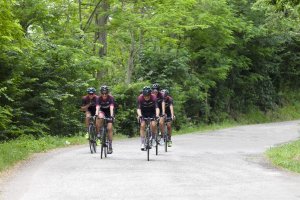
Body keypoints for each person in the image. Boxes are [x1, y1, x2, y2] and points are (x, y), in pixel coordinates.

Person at [137, 86, 160, 151]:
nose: (146, 98)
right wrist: (140, 115)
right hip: (143, 113)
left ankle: (153, 138)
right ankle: (142, 142)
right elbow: (138, 109)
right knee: (142, 125)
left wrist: (157, 115)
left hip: (152, 112)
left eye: (148, 96)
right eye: (145, 96)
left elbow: (157, 108)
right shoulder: (140, 98)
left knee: (153, 124)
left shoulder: (154, 97)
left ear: (150, 94)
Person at [95, 85, 115, 154]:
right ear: (101, 93)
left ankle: (110, 146)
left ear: (107, 93)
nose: (104, 95)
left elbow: (111, 107)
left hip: (109, 112)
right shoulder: (98, 98)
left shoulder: (111, 98)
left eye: (105, 93)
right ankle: (99, 133)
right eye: (103, 93)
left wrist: (112, 116)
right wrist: (96, 114)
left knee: (109, 128)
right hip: (102, 111)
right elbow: (97, 107)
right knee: (99, 117)